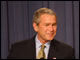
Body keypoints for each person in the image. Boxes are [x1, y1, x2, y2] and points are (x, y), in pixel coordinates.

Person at [7, 8, 74, 59]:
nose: (51, 29)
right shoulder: (18, 49)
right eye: (47, 25)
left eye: (54, 25)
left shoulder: (67, 52)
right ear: (36, 27)